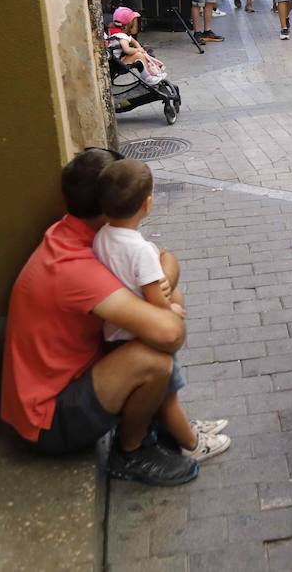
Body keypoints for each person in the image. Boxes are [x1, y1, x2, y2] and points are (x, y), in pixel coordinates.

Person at [0, 149, 201, 485]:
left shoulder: (91, 238)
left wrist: (166, 285)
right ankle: (131, 453)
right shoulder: (78, 266)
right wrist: (169, 295)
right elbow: (169, 332)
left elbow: (164, 264)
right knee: (154, 359)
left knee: (148, 331)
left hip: (66, 386)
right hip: (48, 420)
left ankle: (164, 422)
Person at [93, 160, 230, 462]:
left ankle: (187, 431)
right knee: (169, 398)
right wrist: (174, 309)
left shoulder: (101, 236)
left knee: (166, 398)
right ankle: (192, 444)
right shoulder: (140, 250)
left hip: (116, 334)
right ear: (148, 204)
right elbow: (155, 297)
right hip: (142, 336)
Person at [107, 7, 166, 86]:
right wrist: (138, 50)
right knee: (139, 55)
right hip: (118, 63)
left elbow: (133, 41)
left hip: (116, 60)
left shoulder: (115, 31)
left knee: (141, 54)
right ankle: (148, 78)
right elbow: (127, 50)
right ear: (127, 25)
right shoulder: (121, 36)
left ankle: (152, 73)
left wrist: (140, 48)